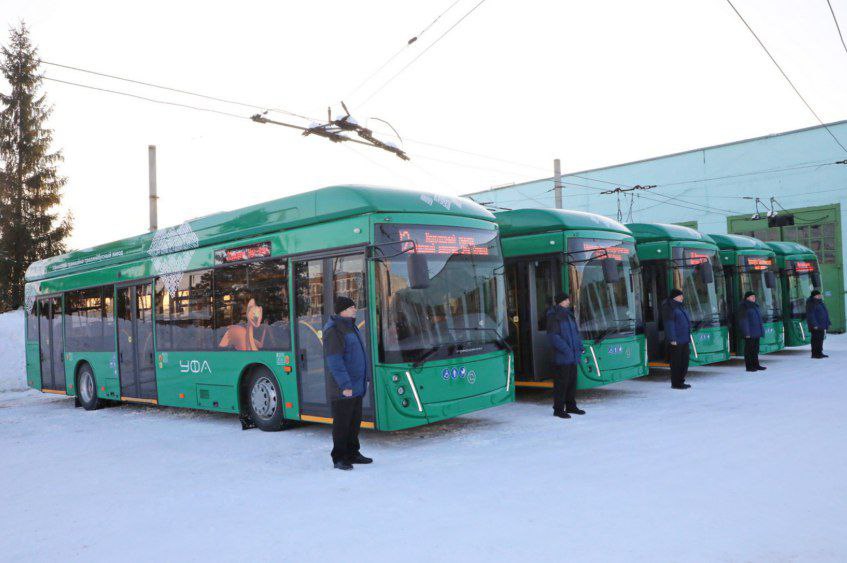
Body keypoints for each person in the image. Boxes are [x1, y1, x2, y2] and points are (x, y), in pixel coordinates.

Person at [323, 296, 372, 470]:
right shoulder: (334, 330)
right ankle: (339, 457)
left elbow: (358, 355)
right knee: (342, 424)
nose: (355, 309)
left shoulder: (351, 327)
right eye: (352, 307)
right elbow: (335, 362)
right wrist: (346, 386)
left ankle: (353, 453)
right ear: (342, 310)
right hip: (344, 388)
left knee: (354, 422)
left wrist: (365, 378)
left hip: (356, 385)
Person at [546, 292, 585, 419]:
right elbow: (553, 337)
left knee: (572, 383)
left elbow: (575, 333)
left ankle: (571, 406)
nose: (569, 301)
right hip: (562, 357)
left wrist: (580, 347)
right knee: (561, 384)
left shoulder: (569, 314)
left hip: (572, 356)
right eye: (566, 299)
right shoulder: (554, 316)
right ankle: (558, 409)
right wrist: (567, 350)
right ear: (561, 301)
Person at [662, 288, 692, 390]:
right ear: (675, 297)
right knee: (676, 363)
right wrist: (672, 339)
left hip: (684, 339)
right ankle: (676, 383)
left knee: (684, 361)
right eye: (680, 296)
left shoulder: (680, 307)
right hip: (676, 341)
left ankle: (681, 381)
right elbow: (669, 324)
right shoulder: (669, 307)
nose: (682, 297)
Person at [738, 291, 766, 372]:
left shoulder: (755, 306)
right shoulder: (744, 306)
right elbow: (743, 321)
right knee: (749, 350)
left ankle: (756, 365)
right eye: (751, 296)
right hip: (749, 333)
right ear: (747, 298)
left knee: (755, 349)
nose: (754, 297)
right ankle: (749, 367)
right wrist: (746, 333)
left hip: (756, 332)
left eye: (754, 296)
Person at [806, 289, 831, 359]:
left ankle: (820, 352)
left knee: (820, 339)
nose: (820, 296)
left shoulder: (820, 302)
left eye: (820, 295)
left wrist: (828, 321)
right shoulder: (811, 303)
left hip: (821, 324)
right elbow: (811, 315)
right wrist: (814, 325)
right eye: (818, 295)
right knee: (816, 340)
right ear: (815, 296)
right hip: (816, 326)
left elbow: (825, 313)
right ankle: (815, 354)